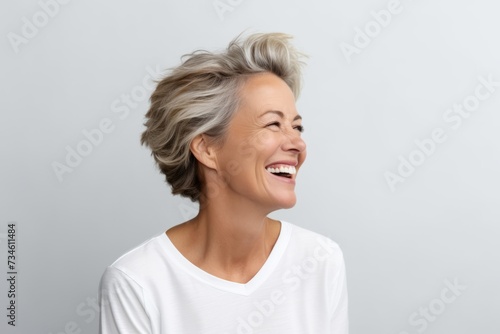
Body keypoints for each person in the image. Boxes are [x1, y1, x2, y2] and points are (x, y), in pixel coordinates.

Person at [99, 32, 348, 334]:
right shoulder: (137, 282)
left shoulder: (319, 260)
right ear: (207, 149)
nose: (297, 143)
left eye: (297, 126)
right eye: (273, 124)